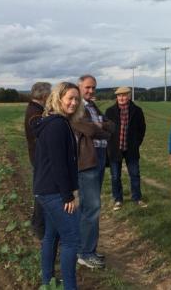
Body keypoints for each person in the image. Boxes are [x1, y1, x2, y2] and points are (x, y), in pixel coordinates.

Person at [32, 82, 81, 289]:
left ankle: (48, 281)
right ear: (59, 98)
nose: (74, 102)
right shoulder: (57, 125)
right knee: (71, 239)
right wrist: (68, 195)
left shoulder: (55, 122)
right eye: (70, 98)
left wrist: (73, 189)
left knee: (52, 236)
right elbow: (59, 163)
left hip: (47, 189)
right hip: (53, 191)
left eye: (77, 99)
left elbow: (65, 161)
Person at [70, 74, 113, 270]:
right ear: (79, 87)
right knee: (91, 207)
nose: (91, 91)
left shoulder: (92, 106)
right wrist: (98, 127)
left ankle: (88, 249)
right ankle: (84, 253)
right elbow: (86, 130)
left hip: (99, 157)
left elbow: (110, 126)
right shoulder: (76, 107)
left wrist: (99, 126)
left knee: (90, 206)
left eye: (93, 87)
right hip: (87, 161)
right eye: (87, 87)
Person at [104, 86, 148, 209]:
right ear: (116, 97)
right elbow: (106, 129)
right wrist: (109, 144)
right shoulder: (110, 111)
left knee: (134, 174)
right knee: (115, 176)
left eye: (124, 95)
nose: (121, 98)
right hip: (114, 148)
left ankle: (137, 198)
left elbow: (142, 128)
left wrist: (136, 142)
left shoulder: (137, 110)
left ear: (129, 96)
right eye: (119, 95)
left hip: (131, 148)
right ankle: (118, 199)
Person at [25, 81, 51, 239]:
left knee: (42, 191)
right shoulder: (35, 113)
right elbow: (42, 133)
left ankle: (38, 223)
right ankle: (39, 226)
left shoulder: (35, 109)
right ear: (44, 96)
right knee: (42, 192)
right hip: (39, 158)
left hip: (38, 156)